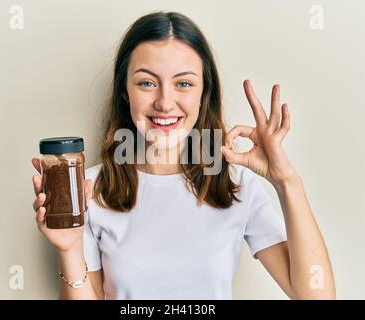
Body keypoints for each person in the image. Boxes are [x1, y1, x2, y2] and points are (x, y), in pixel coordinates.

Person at [31, 11, 335, 300]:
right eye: (147, 83)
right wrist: (69, 250)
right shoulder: (88, 189)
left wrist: (286, 181)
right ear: (125, 91)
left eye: (184, 83)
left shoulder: (236, 184)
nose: (165, 102)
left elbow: (316, 295)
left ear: (204, 95)